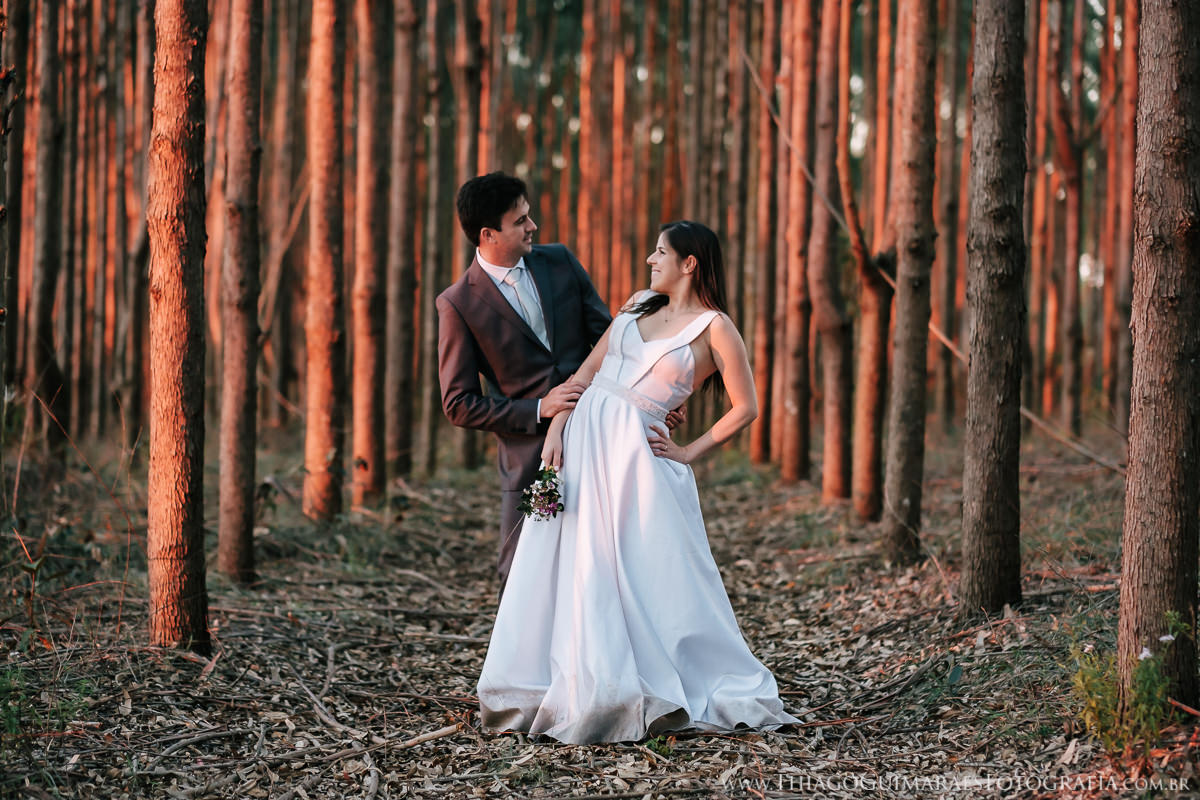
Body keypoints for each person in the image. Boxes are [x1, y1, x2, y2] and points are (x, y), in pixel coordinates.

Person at [477, 220, 797, 744]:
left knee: (641, 568)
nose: (651, 259)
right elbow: (587, 373)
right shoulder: (638, 303)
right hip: (582, 443)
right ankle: (566, 677)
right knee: (575, 562)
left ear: (689, 263)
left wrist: (689, 451)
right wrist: (558, 424)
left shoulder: (715, 328)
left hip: (637, 464)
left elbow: (747, 408)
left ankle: (648, 679)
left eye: (661, 252)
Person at [437, 173, 611, 589]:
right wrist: (539, 408)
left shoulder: (560, 262)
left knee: (603, 555)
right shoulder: (458, 305)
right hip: (533, 461)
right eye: (520, 221)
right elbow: (458, 403)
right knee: (524, 571)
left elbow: (610, 340)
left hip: (599, 434)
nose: (532, 226)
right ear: (488, 234)